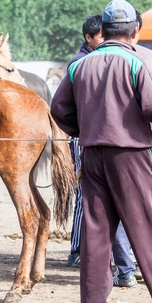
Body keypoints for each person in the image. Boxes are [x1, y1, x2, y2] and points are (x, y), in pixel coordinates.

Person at [51, 0, 152, 303]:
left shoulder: (78, 64)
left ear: (103, 29)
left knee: (96, 232)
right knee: (148, 228)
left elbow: (59, 110)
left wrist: (83, 129)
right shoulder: (136, 63)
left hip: (93, 154)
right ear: (135, 31)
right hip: (131, 156)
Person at [67, 15, 103, 268]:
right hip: (82, 137)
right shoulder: (79, 63)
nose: (103, 40)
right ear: (88, 38)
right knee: (82, 193)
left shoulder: (95, 60)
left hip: (93, 135)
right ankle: (77, 248)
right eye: (100, 36)